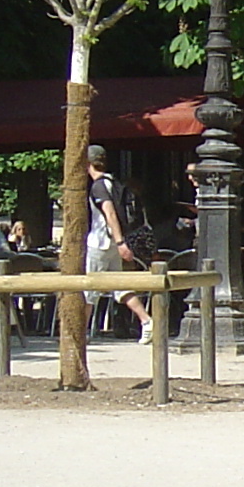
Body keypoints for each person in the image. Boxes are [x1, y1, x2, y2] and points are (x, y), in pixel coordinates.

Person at [83, 144, 151, 342]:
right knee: (119, 286)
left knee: (89, 287)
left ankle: (81, 332)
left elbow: (110, 213)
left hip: (101, 242)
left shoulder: (98, 186)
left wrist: (121, 242)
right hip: (113, 243)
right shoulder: (113, 182)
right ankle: (146, 321)